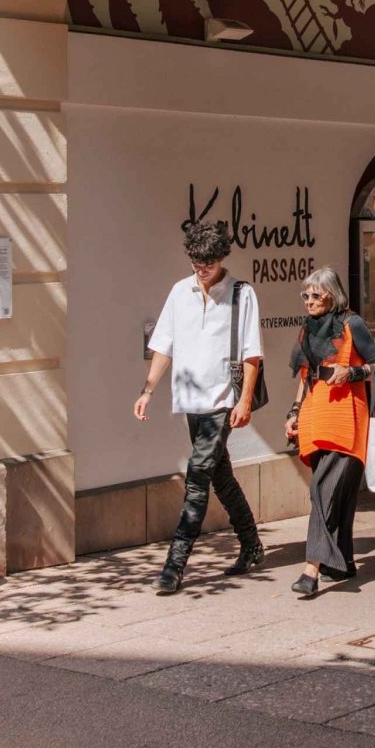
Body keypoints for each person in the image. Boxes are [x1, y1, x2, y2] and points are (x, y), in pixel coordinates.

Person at [135, 221, 264, 595]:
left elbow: (252, 353)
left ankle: (174, 565)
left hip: (222, 401)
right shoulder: (179, 292)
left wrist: (244, 401)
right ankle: (252, 545)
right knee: (219, 476)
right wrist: (147, 390)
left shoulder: (242, 294)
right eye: (195, 261)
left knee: (196, 479)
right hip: (190, 402)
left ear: (221, 257)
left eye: (207, 262)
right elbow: (164, 345)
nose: (201, 268)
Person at [285, 266, 375, 598]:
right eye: (306, 295)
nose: (310, 301)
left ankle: (311, 569)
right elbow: (305, 375)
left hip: (348, 419)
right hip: (316, 417)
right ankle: (341, 562)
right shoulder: (307, 329)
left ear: (333, 295)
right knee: (337, 495)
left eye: (316, 295)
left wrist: (352, 371)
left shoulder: (351, 324)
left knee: (321, 491)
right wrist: (294, 413)